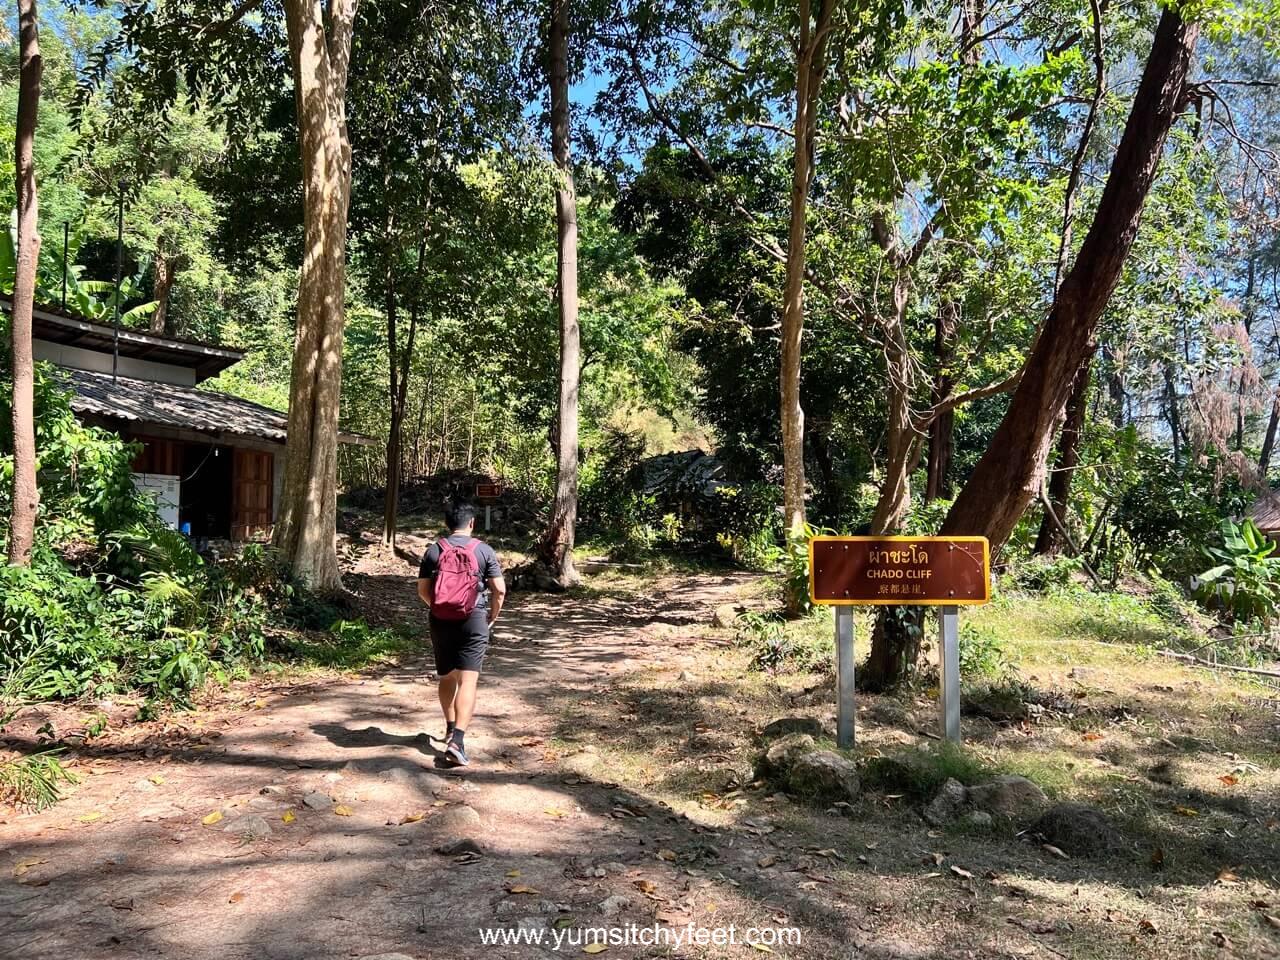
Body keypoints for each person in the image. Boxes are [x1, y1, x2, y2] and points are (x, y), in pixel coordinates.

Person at [416, 501, 506, 766]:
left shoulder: (434, 550)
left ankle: (449, 725)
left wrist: (440, 607)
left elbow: (422, 590)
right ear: (472, 523)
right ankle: (458, 740)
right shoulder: (484, 551)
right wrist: (491, 616)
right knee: (468, 680)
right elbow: (499, 590)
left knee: (446, 676)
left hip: (440, 619)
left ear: (447, 524)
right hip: (474, 618)